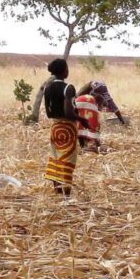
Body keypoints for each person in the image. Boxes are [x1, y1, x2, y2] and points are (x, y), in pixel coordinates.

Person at [43, 58, 89, 197]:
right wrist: (82, 120)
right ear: (64, 71)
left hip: (55, 127)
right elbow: (69, 112)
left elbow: (48, 112)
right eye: (67, 68)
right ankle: (66, 195)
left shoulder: (47, 88)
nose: (68, 70)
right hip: (68, 129)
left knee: (56, 158)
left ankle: (57, 190)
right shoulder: (68, 88)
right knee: (68, 160)